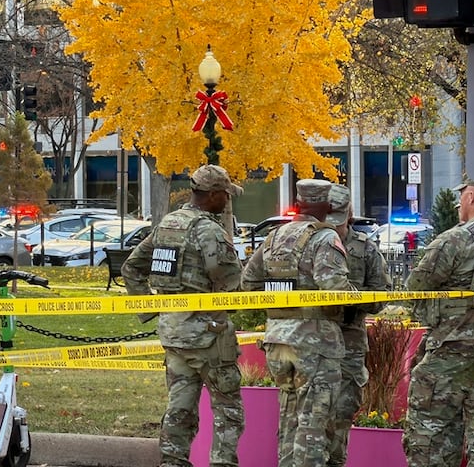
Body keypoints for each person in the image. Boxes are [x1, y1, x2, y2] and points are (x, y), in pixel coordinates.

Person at [121, 164, 244, 467]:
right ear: (212, 194)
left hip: (173, 332)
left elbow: (131, 268)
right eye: (225, 195)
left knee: (180, 406)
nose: (227, 201)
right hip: (209, 336)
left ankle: (172, 462)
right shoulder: (209, 231)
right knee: (228, 410)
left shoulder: (167, 224)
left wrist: (150, 309)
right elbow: (232, 282)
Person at [241, 178, 352, 467]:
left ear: (299, 203)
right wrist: (363, 298)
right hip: (315, 345)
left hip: (278, 342)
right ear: (327, 206)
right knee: (313, 426)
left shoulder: (275, 236)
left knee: (289, 421)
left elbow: (249, 283)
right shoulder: (324, 238)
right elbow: (336, 290)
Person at [403, 179, 474, 466]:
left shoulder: (455, 240)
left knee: (430, 433)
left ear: (471, 196)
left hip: (451, 350)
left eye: (462, 196)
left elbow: (416, 285)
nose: (459, 203)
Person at [324, 184, 390, 467]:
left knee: (343, 410)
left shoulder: (364, 248)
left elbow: (381, 294)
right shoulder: (312, 243)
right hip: (314, 340)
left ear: (349, 213)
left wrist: (352, 299)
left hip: (349, 340)